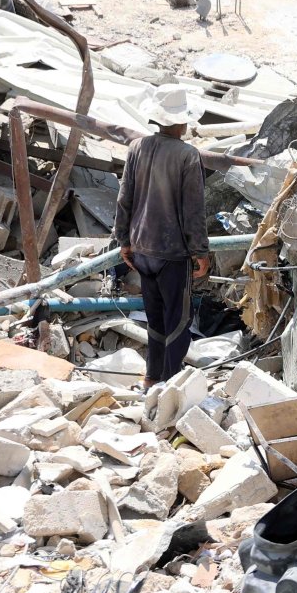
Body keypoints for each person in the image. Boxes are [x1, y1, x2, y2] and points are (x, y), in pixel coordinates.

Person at [113, 85, 211, 387]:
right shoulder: (187, 156)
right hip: (172, 253)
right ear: (182, 122)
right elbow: (193, 209)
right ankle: (169, 385)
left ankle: (151, 378)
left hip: (142, 249)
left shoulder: (138, 147)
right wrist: (200, 251)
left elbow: (124, 197)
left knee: (154, 319)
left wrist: (123, 240)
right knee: (178, 322)